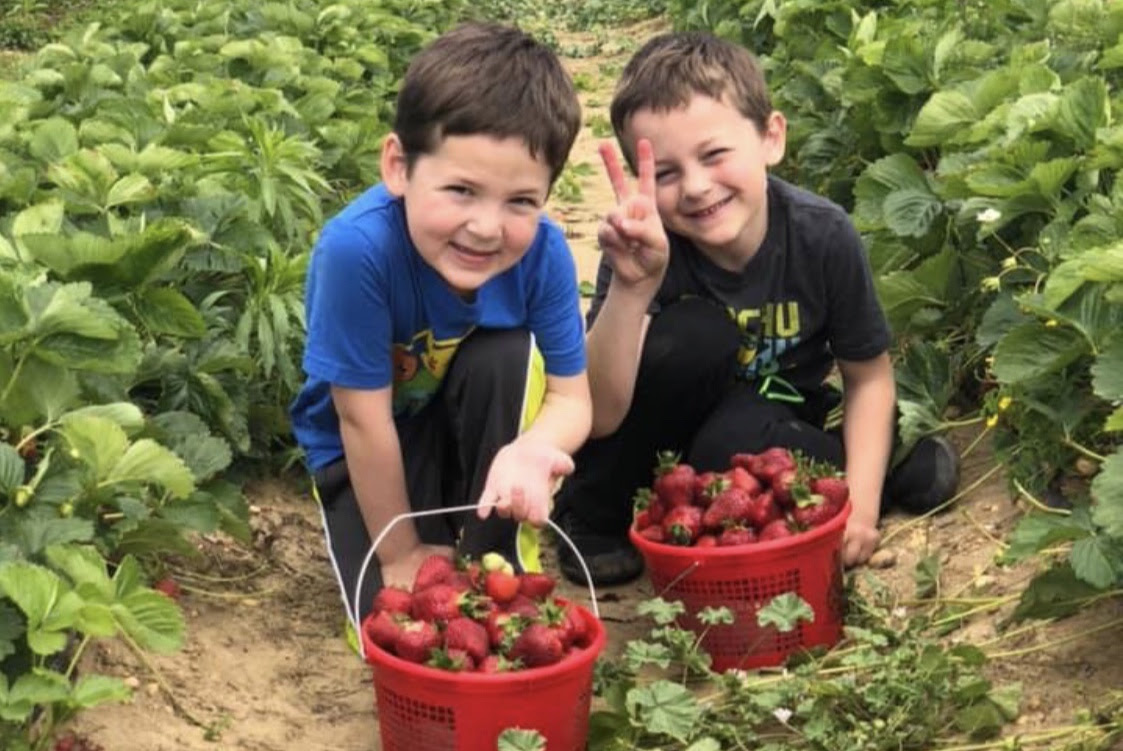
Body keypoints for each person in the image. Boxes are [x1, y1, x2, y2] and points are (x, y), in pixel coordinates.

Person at [552, 31, 959, 585]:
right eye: (666, 173)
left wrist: (859, 510)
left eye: (715, 155)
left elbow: (868, 380)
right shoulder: (639, 248)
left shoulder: (822, 235)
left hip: (763, 423)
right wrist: (630, 288)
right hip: (656, 433)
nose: (695, 187)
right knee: (696, 335)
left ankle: (860, 475)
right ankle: (592, 513)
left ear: (771, 138)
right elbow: (596, 411)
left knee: (733, 444)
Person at [290, 22, 591, 630]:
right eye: (460, 190)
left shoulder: (544, 254)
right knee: (388, 628)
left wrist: (534, 449)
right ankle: (414, 534)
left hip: (471, 431)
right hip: (364, 448)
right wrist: (400, 553)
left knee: (505, 351)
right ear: (398, 167)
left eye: (520, 202)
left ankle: (493, 544)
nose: (485, 227)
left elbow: (571, 398)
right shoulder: (358, 252)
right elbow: (359, 418)